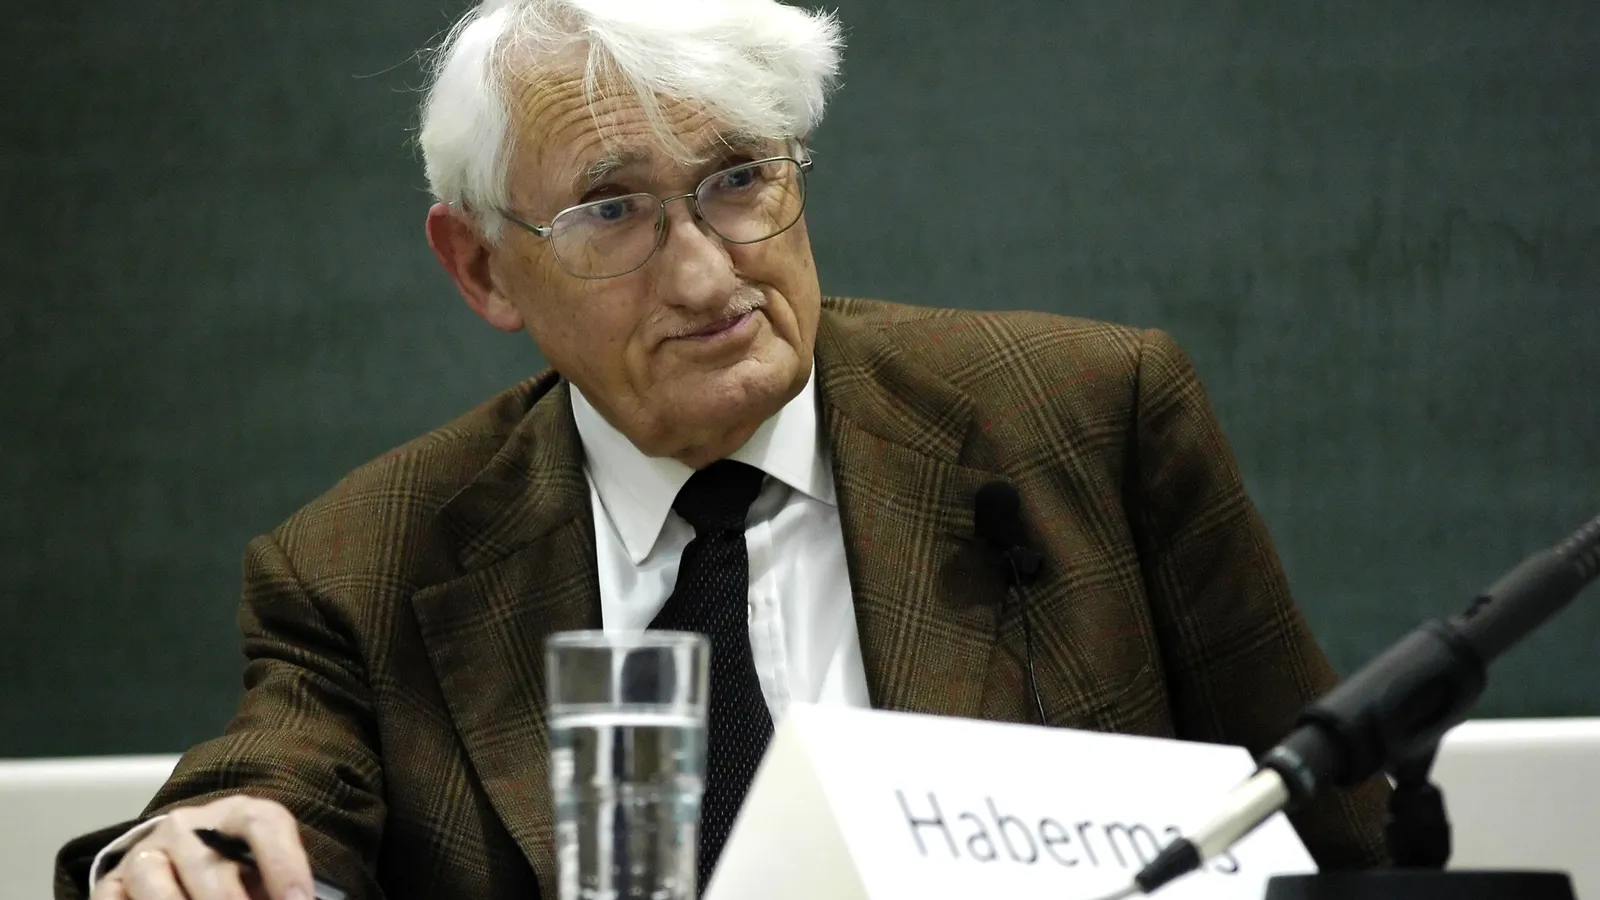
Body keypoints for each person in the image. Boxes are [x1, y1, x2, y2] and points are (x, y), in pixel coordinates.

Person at [58, 1, 1389, 898]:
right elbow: (272, 785)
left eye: (741, 177)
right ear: (482, 267)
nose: (706, 275)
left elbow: (1339, 835)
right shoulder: (366, 562)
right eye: (613, 211)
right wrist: (189, 848)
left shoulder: (1085, 418)